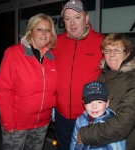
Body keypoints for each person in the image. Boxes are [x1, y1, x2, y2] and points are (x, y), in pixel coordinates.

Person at [0, 13, 57, 150]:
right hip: (17, 123)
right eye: (39, 29)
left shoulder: (52, 58)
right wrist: (7, 122)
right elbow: (2, 90)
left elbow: (54, 90)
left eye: (48, 30)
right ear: (31, 31)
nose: (44, 33)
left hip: (41, 123)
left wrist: (53, 109)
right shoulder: (14, 53)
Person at [53, 0, 104, 149]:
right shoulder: (56, 42)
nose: (72, 23)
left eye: (77, 17)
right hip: (61, 116)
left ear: (86, 18)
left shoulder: (102, 42)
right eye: (67, 19)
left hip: (88, 117)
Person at [77, 33, 135, 150]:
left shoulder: (131, 81)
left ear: (127, 53)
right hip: (101, 141)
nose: (112, 54)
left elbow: (123, 124)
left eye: (117, 50)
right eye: (107, 50)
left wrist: (86, 134)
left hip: (120, 145)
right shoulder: (104, 74)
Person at [70, 81, 125, 150]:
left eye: (99, 102)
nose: (94, 107)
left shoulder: (112, 124)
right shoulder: (80, 120)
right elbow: (74, 141)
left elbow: (118, 147)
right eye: (89, 102)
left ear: (107, 103)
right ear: (83, 103)